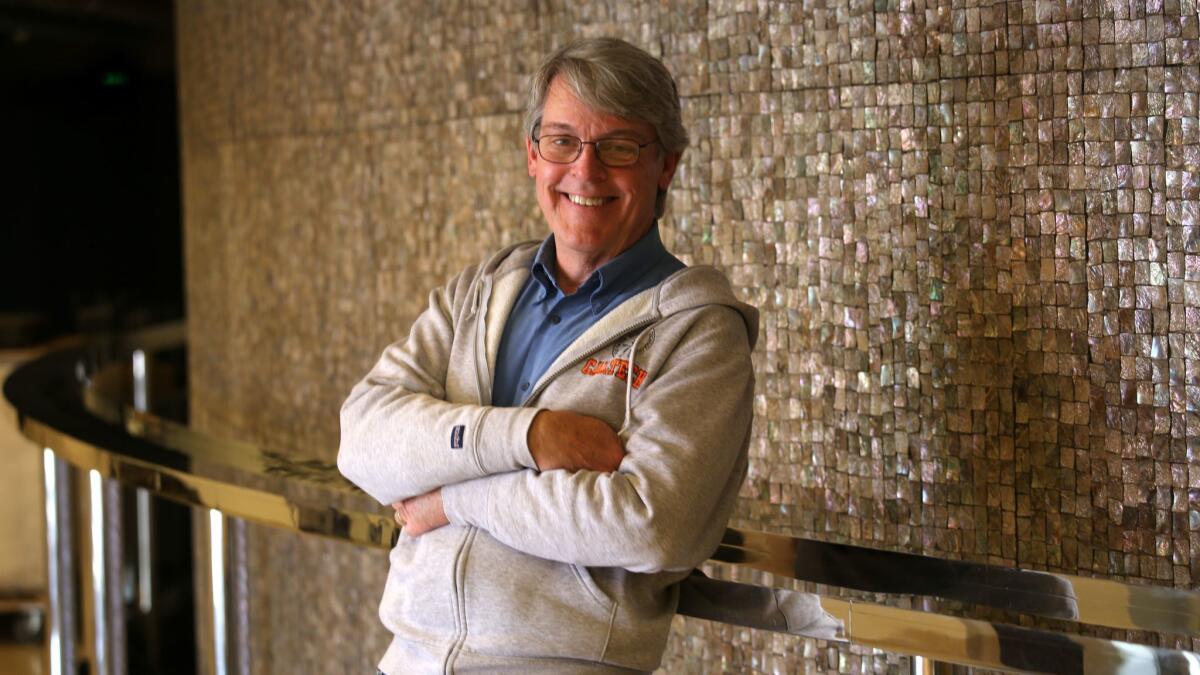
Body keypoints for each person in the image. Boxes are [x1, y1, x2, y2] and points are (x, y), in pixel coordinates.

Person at [338, 37, 757, 674]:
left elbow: (648, 524)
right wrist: (531, 437)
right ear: (534, 156)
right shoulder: (477, 295)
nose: (584, 173)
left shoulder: (698, 333)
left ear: (666, 164)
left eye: (618, 148)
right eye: (563, 141)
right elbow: (362, 441)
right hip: (409, 659)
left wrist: (454, 501)